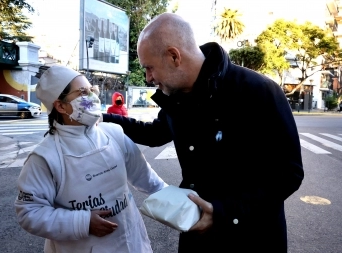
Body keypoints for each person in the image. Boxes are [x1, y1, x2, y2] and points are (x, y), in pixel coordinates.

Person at [102, 13, 304, 253]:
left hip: (251, 237)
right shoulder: (176, 97)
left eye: (149, 68)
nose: (148, 78)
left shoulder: (258, 90)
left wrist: (223, 212)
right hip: (197, 236)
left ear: (174, 56)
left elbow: (289, 173)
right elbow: (154, 134)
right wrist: (100, 118)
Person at [14, 65, 167, 253]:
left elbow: (148, 179)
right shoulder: (44, 157)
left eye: (92, 90)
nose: (93, 97)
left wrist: (184, 201)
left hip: (133, 244)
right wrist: (82, 223)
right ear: (60, 105)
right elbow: (29, 213)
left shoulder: (115, 134)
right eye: (83, 92)